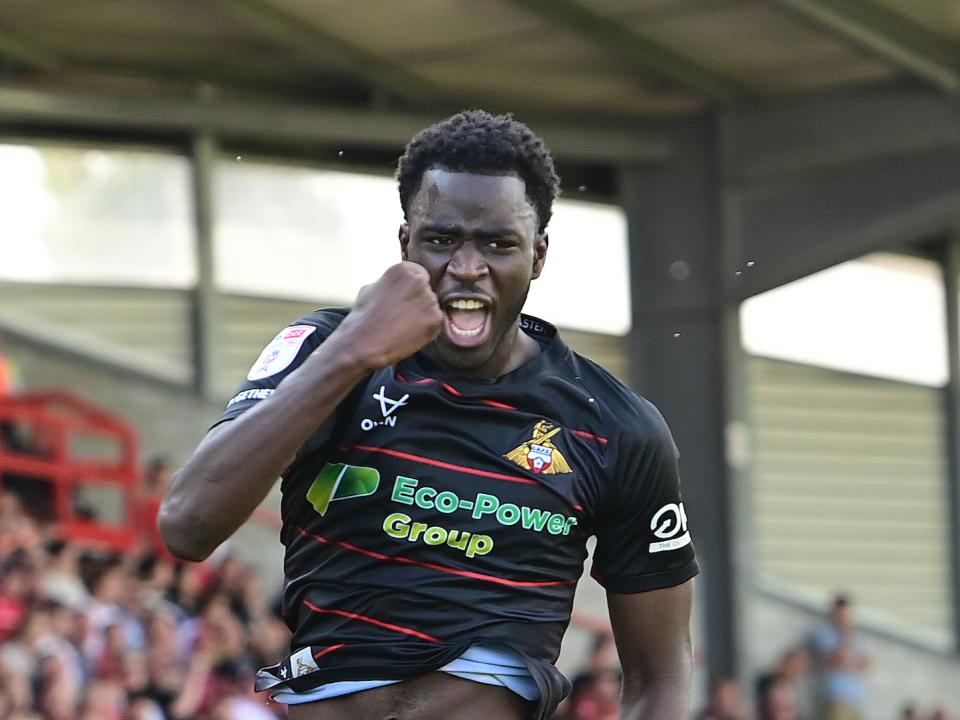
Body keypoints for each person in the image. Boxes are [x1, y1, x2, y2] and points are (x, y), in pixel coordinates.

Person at [159, 110, 699, 720]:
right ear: (404, 246)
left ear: (539, 255)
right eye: (442, 240)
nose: (467, 268)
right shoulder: (323, 351)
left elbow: (661, 678)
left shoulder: (616, 428)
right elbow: (187, 526)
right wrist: (355, 352)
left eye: (498, 244)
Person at [813, 595, 869, 720]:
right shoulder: (825, 634)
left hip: (855, 699)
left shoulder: (858, 636)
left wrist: (849, 663)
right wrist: (846, 636)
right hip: (836, 698)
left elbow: (866, 665)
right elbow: (837, 659)